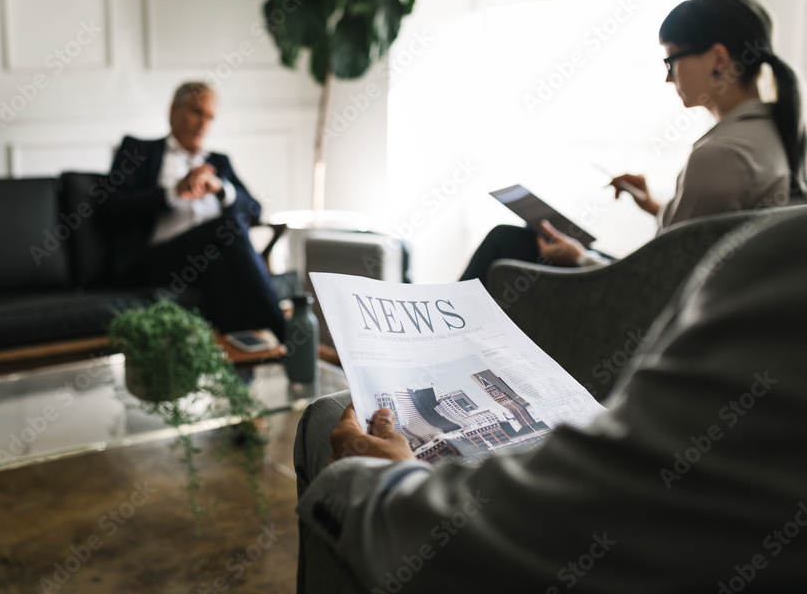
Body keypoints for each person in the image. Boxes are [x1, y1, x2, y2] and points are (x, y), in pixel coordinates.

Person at [294, 205, 807, 592]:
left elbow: (582, 517)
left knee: (327, 424)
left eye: (672, 61)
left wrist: (372, 483)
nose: (669, 78)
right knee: (507, 237)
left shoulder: (781, 254)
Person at [459, 0, 805, 282]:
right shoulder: (775, 136)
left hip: (645, 319)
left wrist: (580, 260)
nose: (669, 77)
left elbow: (658, 289)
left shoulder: (721, 156)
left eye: (671, 59)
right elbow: (702, 233)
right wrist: (653, 205)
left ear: (717, 59)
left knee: (506, 242)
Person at [100, 82, 285, 339]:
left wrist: (221, 189)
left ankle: (239, 365)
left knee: (218, 261)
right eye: (196, 112)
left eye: (209, 117)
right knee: (227, 227)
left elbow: (254, 210)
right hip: (154, 259)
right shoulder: (138, 151)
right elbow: (111, 207)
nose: (203, 124)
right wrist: (173, 192)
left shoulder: (218, 163)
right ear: (173, 111)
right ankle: (284, 331)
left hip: (207, 257)